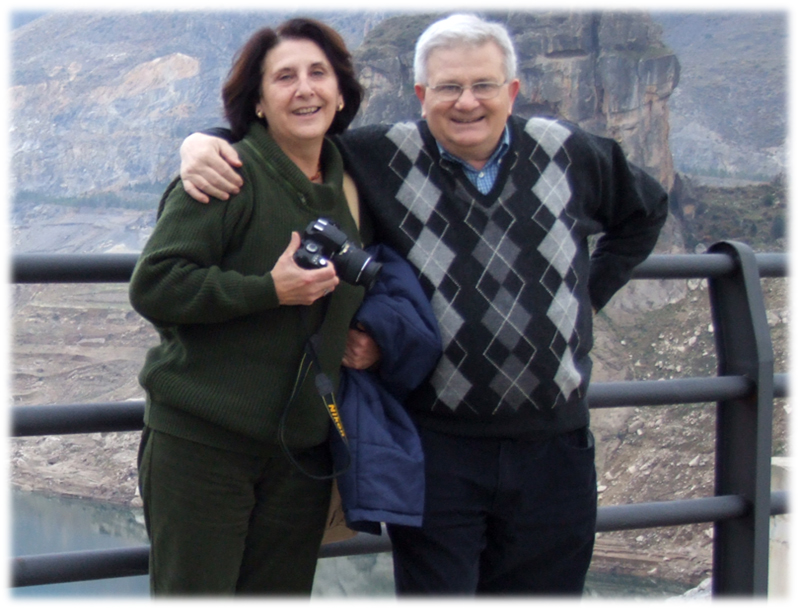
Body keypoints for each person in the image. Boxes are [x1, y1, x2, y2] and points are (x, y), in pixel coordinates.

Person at [177, 13, 669, 596]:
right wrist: (204, 140)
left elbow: (646, 210)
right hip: (440, 448)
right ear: (421, 94)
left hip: (554, 448)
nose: (467, 103)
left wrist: (583, 297)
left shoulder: (570, 152)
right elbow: (290, 133)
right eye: (448, 87)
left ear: (511, 90)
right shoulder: (380, 155)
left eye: (484, 85)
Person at [129, 18, 369, 595]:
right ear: (258, 102)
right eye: (284, 77)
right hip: (205, 447)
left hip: (301, 453)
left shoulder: (357, 179)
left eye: (319, 73)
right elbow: (155, 284)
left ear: (341, 92)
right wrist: (268, 289)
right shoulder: (226, 173)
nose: (305, 88)